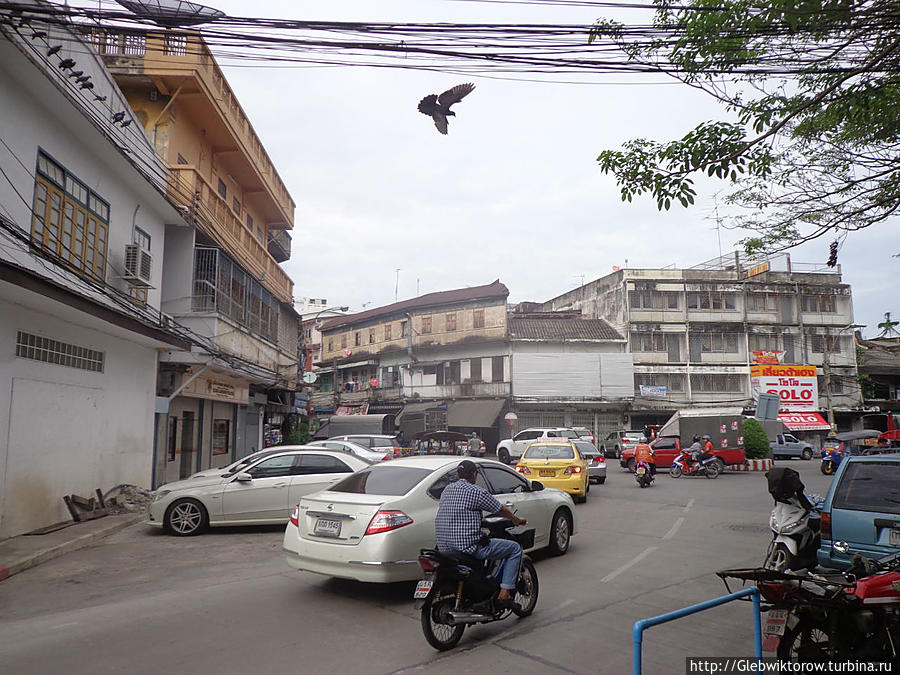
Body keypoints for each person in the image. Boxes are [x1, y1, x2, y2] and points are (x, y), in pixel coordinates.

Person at [435, 460, 527, 605]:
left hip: (444, 547)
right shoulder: (476, 492)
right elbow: (500, 509)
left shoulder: (447, 490)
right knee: (515, 549)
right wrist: (516, 519)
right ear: (474, 475)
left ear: (458, 475)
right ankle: (505, 592)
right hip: (467, 548)